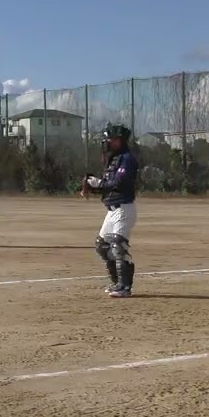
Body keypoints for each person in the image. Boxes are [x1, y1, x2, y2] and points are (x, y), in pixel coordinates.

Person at [80, 124, 139, 298]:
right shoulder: (113, 160)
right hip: (112, 210)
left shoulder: (127, 159)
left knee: (118, 245)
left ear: (119, 141)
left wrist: (98, 183)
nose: (107, 142)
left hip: (124, 208)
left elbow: (119, 183)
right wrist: (92, 185)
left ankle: (125, 286)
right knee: (102, 246)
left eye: (111, 139)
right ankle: (116, 282)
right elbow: (108, 186)